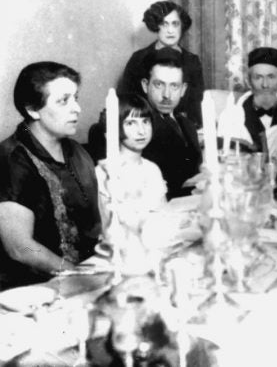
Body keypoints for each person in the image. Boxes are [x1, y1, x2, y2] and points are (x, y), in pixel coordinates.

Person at [0, 62, 101, 289]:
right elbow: (20, 247)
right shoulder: (11, 159)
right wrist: (76, 275)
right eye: (63, 101)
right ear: (32, 109)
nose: (77, 108)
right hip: (30, 289)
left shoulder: (76, 151)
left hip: (84, 272)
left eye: (75, 98)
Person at [89, 48, 202, 199]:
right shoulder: (130, 127)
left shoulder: (187, 125)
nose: (166, 95)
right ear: (145, 85)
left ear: (183, 89)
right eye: (159, 85)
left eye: (174, 86)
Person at [117, 0, 204, 127]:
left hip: (181, 126)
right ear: (155, 26)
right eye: (164, 24)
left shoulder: (192, 61)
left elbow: (196, 104)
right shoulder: (138, 58)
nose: (170, 31)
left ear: (182, 27)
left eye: (175, 24)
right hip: (145, 125)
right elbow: (127, 101)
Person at [95, 94, 167, 231]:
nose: (141, 131)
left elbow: (164, 215)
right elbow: (107, 227)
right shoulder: (104, 173)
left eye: (145, 121)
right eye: (130, 123)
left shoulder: (152, 169)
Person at [235, 47, 277, 152]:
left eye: (271, 77)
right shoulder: (233, 116)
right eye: (258, 77)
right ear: (248, 81)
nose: (265, 85)